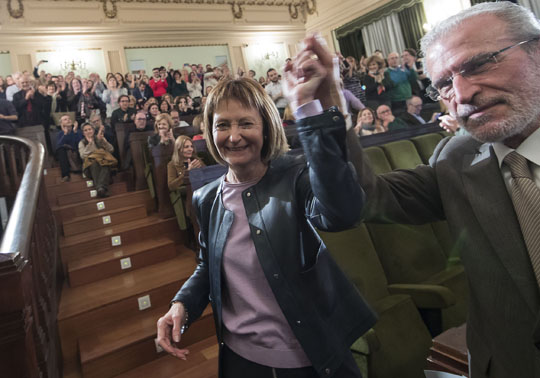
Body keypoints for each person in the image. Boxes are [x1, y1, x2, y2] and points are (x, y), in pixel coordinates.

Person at [156, 35, 376, 378]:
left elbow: (344, 213)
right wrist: (182, 303)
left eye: (245, 123)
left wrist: (307, 111)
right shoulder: (206, 198)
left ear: (266, 126)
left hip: (310, 358)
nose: (233, 136)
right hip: (241, 359)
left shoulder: (297, 176)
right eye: (222, 125)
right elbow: (208, 265)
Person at [345, 3, 540, 377]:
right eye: (445, 84)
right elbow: (365, 199)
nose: (462, 94)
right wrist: (326, 115)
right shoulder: (456, 157)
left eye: (479, 64)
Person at [78, 122, 116, 198]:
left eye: (90, 129)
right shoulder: (82, 142)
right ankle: (103, 185)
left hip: (104, 163)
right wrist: (91, 144)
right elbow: (82, 155)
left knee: (105, 164)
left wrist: (104, 142)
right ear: (83, 133)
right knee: (95, 163)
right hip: (90, 167)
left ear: (93, 130)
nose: (88, 131)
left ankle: (100, 189)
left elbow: (111, 150)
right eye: (85, 130)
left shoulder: (100, 138)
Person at [56, 115, 83, 182]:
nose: (68, 120)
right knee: (61, 150)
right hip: (66, 154)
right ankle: (65, 175)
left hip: (77, 151)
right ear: (61, 124)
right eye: (65, 119)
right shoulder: (60, 133)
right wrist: (65, 134)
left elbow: (81, 142)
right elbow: (59, 146)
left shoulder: (78, 131)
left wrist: (75, 132)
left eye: (69, 119)